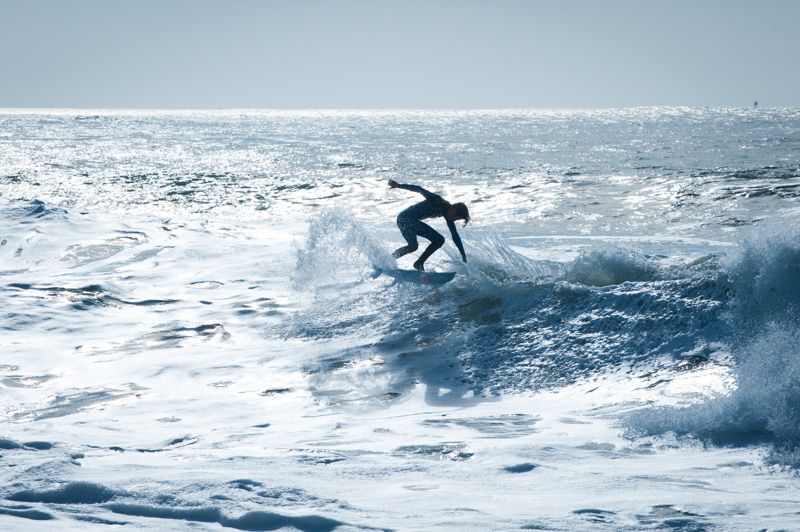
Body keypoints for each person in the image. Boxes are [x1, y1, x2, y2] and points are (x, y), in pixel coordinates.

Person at [388, 179, 470, 271]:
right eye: (457, 218)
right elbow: (419, 189)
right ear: (454, 211)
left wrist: (463, 253)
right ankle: (419, 263)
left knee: (413, 246)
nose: (455, 220)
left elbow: (454, 234)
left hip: (402, 219)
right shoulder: (437, 200)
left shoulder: (447, 215)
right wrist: (399, 185)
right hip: (407, 219)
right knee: (439, 240)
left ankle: (388, 260)